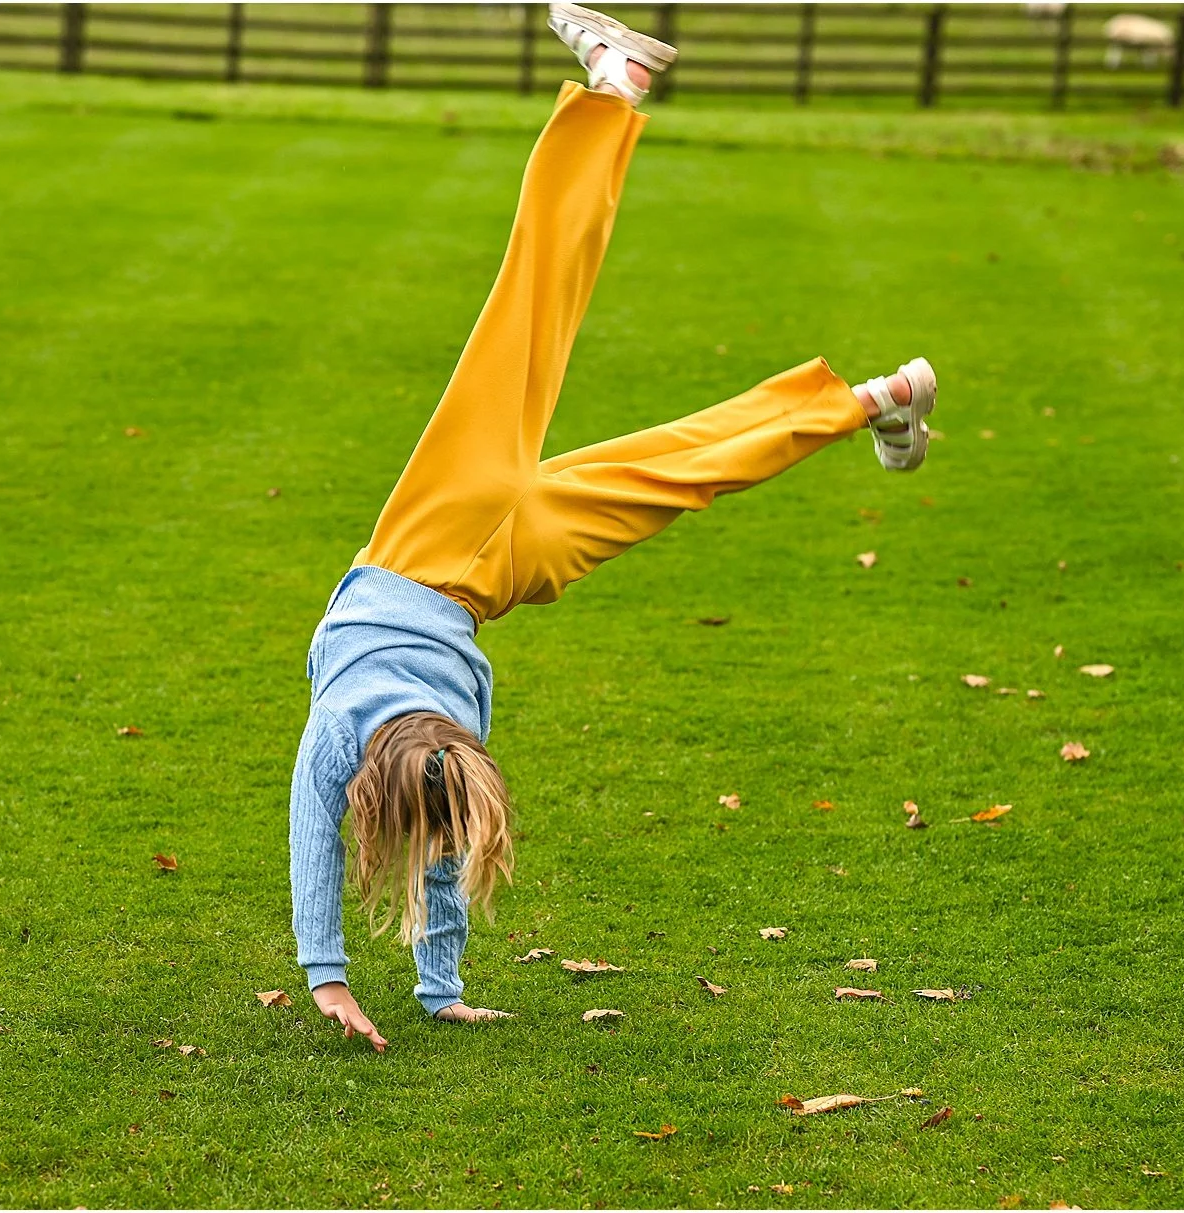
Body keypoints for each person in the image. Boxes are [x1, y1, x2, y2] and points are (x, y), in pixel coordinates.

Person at [289, 2, 938, 1052]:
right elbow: (396, 834)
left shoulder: (428, 739)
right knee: (544, 312)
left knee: (664, 466)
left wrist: (331, 976)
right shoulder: (415, 746)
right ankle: (863, 395)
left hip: (485, 568)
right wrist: (416, 986)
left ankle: (871, 398)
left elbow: (335, 848)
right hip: (444, 551)